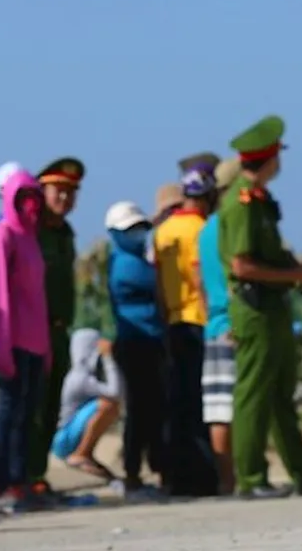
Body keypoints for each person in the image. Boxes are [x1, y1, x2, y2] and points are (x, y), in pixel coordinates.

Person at [217, 116, 302, 500]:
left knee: (279, 396)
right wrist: (296, 274)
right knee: (254, 394)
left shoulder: (258, 200)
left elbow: (268, 257)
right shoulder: (241, 203)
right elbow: (242, 265)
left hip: (272, 307)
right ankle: (251, 478)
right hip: (254, 309)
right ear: (271, 157)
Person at [0, 169, 51, 510]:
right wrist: (2, 347)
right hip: (12, 340)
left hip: (36, 341)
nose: (31, 205)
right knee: (8, 413)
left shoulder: (31, 238)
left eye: (34, 197)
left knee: (27, 414)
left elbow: (39, 297)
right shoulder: (2, 237)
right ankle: (4, 483)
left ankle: (21, 479)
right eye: (23, 197)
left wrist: (48, 346)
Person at [154, 160, 221, 497]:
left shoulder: (162, 232)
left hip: (172, 323)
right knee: (201, 404)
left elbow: (157, 283)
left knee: (177, 403)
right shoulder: (202, 228)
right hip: (198, 321)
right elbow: (199, 277)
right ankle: (204, 477)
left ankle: (175, 476)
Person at [26, 156, 84, 500]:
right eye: (58, 190)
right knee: (31, 408)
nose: (64, 198)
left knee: (49, 408)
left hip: (60, 330)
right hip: (34, 331)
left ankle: (38, 475)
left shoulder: (65, 234)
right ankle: (23, 475)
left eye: (71, 192)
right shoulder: (30, 230)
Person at [105, 199, 168, 498]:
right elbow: (158, 282)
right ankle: (134, 469)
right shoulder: (125, 264)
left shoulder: (139, 260)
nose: (138, 233)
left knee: (154, 407)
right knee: (142, 410)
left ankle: (155, 465)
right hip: (136, 342)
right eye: (130, 229)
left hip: (151, 340)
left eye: (141, 228)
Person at [198, 157, 242, 495]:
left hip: (213, 324)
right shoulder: (231, 224)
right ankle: (238, 477)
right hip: (235, 323)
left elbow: (200, 283)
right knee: (238, 407)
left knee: (217, 408)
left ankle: (227, 480)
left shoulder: (205, 229)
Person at [51, 329, 122, 482]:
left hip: (68, 435)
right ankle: (80, 454)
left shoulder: (84, 375)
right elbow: (115, 391)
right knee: (108, 405)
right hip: (65, 439)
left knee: (109, 403)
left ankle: (86, 453)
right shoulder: (79, 378)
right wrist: (109, 358)